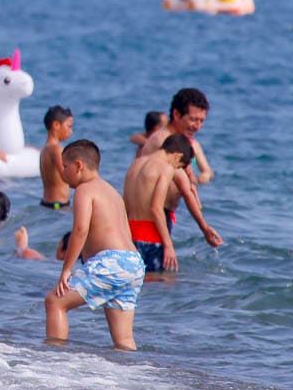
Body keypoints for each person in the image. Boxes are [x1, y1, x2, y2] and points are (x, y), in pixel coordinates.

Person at [44, 139, 145, 351]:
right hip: (134, 264)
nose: (62, 172)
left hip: (111, 262)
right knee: (124, 339)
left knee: (55, 302)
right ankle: (132, 378)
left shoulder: (84, 189)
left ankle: (51, 363)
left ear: (79, 166)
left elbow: (80, 230)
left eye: (65, 166)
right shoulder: (112, 192)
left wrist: (66, 270)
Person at [123, 133, 196, 275]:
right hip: (151, 238)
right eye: (179, 166)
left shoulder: (135, 164)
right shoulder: (166, 168)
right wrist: (168, 246)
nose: (176, 169)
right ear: (177, 156)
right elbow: (156, 208)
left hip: (129, 235)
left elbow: (124, 204)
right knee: (159, 285)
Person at [140, 88, 214, 183]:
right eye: (193, 120)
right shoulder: (162, 140)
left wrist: (203, 177)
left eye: (202, 121)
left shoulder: (192, 143)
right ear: (176, 115)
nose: (198, 127)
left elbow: (208, 172)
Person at [39, 106, 75, 209]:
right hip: (57, 206)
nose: (71, 131)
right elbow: (66, 176)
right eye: (69, 126)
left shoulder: (45, 148)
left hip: (47, 203)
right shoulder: (57, 149)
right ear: (56, 125)